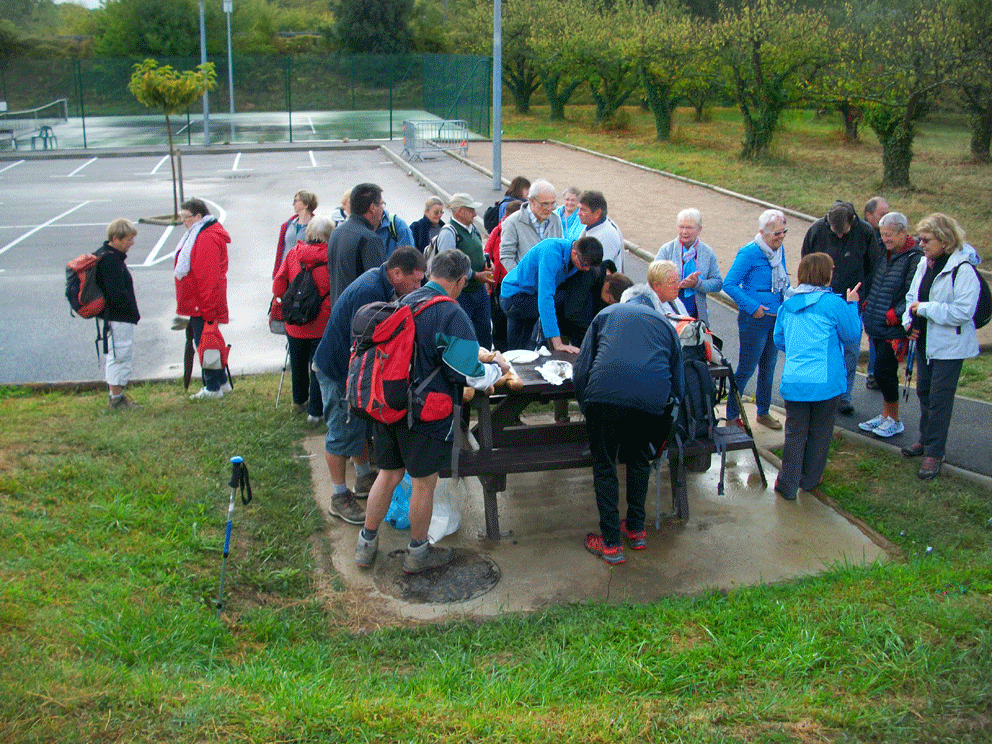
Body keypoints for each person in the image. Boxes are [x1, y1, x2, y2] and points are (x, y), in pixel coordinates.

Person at [355, 250, 509, 574]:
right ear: (461, 281)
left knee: (388, 475)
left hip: (388, 405)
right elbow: (468, 373)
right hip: (425, 415)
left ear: (430, 272)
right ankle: (418, 553)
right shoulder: (451, 314)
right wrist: (497, 369)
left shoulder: (404, 301)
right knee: (423, 484)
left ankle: (365, 545)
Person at [313, 247, 428, 525]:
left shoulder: (383, 281)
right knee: (341, 432)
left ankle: (364, 477)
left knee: (360, 424)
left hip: (349, 368)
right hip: (337, 370)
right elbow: (364, 343)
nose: (418, 287)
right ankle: (339, 497)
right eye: (415, 281)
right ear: (397, 273)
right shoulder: (370, 291)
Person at [574, 287, 683, 565]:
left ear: (626, 301)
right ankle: (635, 530)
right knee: (638, 459)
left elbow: (581, 369)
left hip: (604, 396)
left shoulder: (606, 314)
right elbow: (678, 382)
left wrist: (587, 407)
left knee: (605, 465)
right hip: (650, 400)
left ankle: (611, 543)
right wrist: (664, 418)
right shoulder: (666, 325)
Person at [773, 253, 862, 500]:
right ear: (825, 274)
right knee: (820, 432)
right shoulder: (834, 304)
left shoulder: (787, 305)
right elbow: (852, 336)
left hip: (795, 381)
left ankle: (788, 483)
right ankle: (810, 479)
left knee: (794, 434)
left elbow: (779, 339)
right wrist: (852, 305)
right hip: (826, 382)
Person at [901, 213, 980, 480]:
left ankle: (935, 452)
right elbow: (911, 297)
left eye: (926, 240)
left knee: (939, 399)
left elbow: (963, 312)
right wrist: (908, 322)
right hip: (925, 342)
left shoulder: (963, 270)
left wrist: (925, 309)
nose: (920, 244)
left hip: (950, 347)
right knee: (924, 392)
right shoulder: (925, 263)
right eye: (920, 239)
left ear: (945, 241)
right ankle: (926, 440)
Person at [801, 200, 881, 415]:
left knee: (851, 348)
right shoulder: (817, 230)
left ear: (852, 221)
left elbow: (873, 266)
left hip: (850, 300)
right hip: (820, 300)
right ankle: (821, 393)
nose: (838, 237)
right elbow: (806, 262)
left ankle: (844, 396)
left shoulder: (865, 232)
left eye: (843, 233)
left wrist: (862, 296)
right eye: (834, 233)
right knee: (820, 347)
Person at [722, 209, 791, 430]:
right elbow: (729, 284)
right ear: (763, 232)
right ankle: (732, 416)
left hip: (775, 318)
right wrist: (752, 307)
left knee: (769, 368)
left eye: (784, 231)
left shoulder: (779, 251)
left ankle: (763, 412)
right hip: (754, 320)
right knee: (747, 368)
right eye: (777, 233)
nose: (781, 237)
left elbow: (784, 280)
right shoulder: (749, 252)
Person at [858, 213, 923, 438]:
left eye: (889, 235)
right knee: (882, 371)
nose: (884, 239)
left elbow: (914, 291)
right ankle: (885, 415)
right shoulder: (883, 251)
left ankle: (894, 419)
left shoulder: (914, 258)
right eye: (883, 234)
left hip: (894, 326)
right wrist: (868, 303)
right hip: (877, 320)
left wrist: (897, 313)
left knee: (885, 371)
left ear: (903, 233)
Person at [271, 216, 333, 422]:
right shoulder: (332, 256)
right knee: (317, 367)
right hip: (322, 321)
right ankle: (315, 412)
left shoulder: (294, 253)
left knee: (297, 363)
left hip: (296, 321)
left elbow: (278, 285)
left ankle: (299, 401)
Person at [499, 235, 604, 353]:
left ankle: (544, 344)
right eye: (585, 265)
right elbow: (546, 298)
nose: (586, 269)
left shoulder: (574, 253)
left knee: (522, 348)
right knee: (565, 298)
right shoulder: (551, 254)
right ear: (574, 253)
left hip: (531, 293)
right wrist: (558, 344)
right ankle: (547, 343)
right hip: (515, 296)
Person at [174, 197, 231, 400]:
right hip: (199, 303)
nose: (183, 221)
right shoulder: (200, 233)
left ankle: (213, 387)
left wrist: (207, 309)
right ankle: (221, 382)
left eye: (186, 217)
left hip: (203, 303)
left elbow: (207, 277)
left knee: (206, 344)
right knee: (209, 342)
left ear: (198, 216)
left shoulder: (205, 237)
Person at [435, 193, 495, 349]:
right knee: (463, 335)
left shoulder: (472, 229)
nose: (475, 214)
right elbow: (449, 264)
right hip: (461, 293)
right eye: (471, 210)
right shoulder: (449, 232)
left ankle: (485, 360)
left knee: (484, 333)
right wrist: (475, 275)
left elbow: (479, 253)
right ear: (460, 211)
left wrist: (487, 264)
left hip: (478, 291)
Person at [95, 218, 141, 410]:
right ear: (115, 238)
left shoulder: (107, 256)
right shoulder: (111, 261)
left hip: (116, 317)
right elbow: (115, 293)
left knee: (118, 356)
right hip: (117, 318)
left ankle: (117, 397)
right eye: (128, 239)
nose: (132, 243)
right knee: (119, 357)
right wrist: (128, 309)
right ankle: (116, 399)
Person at [654, 208, 723, 324]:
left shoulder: (707, 252)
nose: (684, 231)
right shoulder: (666, 250)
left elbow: (717, 283)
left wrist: (698, 284)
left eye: (689, 228)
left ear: (699, 229)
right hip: (669, 314)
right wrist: (677, 284)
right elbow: (654, 280)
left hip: (697, 315)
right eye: (681, 227)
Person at [326, 183, 387, 307]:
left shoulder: (336, 232)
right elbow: (378, 285)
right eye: (382, 204)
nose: (383, 209)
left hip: (338, 310)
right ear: (372, 207)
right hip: (360, 314)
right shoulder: (369, 238)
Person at [499, 179, 563, 273]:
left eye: (553, 203)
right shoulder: (513, 222)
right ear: (532, 201)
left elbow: (559, 251)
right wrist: (521, 277)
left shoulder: (555, 220)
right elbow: (506, 256)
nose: (550, 208)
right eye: (545, 204)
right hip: (524, 281)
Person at [484, 200, 523, 351]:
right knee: (500, 321)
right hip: (500, 282)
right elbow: (487, 252)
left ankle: (508, 350)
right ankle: (502, 351)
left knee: (507, 321)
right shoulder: (499, 230)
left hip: (507, 282)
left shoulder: (500, 229)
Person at [863, 196, 889, 390]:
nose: (885, 218)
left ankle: (874, 373)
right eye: (882, 214)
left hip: (876, 294)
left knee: (875, 335)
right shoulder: (861, 235)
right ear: (868, 214)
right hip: (861, 292)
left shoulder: (885, 237)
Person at [273, 189, 317, 277]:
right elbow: (280, 250)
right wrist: (276, 274)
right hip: (286, 273)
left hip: (304, 275)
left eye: (296, 201)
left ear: (306, 205)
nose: (293, 204)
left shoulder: (316, 226)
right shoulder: (287, 225)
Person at [578, 190, 624, 272]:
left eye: (583, 210)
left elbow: (599, 271)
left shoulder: (607, 236)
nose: (578, 213)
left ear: (597, 213)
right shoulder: (592, 226)